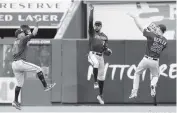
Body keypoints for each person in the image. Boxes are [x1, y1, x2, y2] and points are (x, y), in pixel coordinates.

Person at [11, 21, 56, 110]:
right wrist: (37, 25)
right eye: (22, 33)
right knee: (38, 69)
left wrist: (27, 33)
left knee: (19, 84)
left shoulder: (15, 41)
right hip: (20, 62)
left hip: (14, 64)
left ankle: (15, 101)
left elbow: (26, 40)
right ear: (19, 35)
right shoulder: (22, 39)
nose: (23, 34)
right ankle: (45, 86)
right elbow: (34, 33)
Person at [127, 13, 168, 99]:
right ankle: (152, 85)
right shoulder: (165, 41)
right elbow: (159, 43)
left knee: (137, 73)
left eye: (157, 27)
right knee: (156, 76)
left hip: (146, 59)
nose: (155, 28)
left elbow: (140, 27)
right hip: (155, 61)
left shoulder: (151, 35)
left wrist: (135, 18)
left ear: (159, 29)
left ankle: (134, 91)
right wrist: (154, 32)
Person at [88, 4, 112, 104]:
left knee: (102, 77)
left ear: (101, 26)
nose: (96, 26)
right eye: (95, 25)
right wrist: (91, 11)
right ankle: (95, 82)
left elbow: (105, 49)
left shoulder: (105, 36)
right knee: (96, 64)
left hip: (100, 56)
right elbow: (90, 22)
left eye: (98, 25)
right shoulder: (92, 32)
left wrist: (108, 51)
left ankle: (100, 95)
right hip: (92, 54)